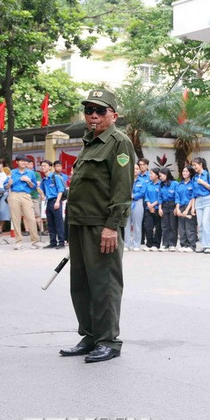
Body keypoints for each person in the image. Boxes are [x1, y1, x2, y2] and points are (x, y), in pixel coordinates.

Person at [59, 88, 133, 363]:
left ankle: (108, 341)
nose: (93, 115)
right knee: (81, 284)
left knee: (104, 284)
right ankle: (89, 336)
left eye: (100, 110)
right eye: (89, 110)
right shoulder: (89, 142)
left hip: (102, 225)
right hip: (79, 222)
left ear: (113, 115)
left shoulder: (118, 142)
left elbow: (122, 188)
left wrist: (112, 225)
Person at [6, 155, 40, 249]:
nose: (23, 163)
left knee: (31, 218)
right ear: (17, 162)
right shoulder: (11, 172)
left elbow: (33, 186)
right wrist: (10, 183)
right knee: (16, 218)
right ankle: (18, 241)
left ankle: (35, 241)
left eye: (25, 161)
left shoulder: (30, 173)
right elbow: (6, 186)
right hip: (14, 194)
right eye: (21, 161)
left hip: (26, 195)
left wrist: (28, 181)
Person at [191, 157, 210, 254]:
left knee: (206, 222)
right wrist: (193, 207)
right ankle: (203, 244)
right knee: (200, 223)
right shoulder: (194, 177)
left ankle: (208, 245)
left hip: (208, 199)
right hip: (198, 201)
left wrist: (203, 183)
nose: (194, 167)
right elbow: (193, 193)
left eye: (195, 165)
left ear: (201, 164)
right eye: (193, 165)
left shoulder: (209, 175)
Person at [39, 160, 66, 249]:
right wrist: (42, 196)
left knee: (58, 222)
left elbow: (60, 190)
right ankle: (53, 241)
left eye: (45, 166)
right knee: (50, 223)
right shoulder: (44, 180)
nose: (43, 167)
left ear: (50, 167)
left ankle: (61, 242)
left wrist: (58, 201)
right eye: (42, 166)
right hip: (48, 202)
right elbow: (42, 192)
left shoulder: (55, 177)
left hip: (56, 201)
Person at [127, 159, 148, 251]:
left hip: (137, 202)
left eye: (136, 169)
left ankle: (136, 244)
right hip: (127, 202)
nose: (135, 170)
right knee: (126, 224)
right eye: (133, 169)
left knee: (137, 224)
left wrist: (133, 196)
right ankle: (126, 244)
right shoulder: (127, 180)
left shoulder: (142, 181)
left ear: (139, 170)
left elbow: (142, 192)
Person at [176, 165, 198, 252]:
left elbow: (192, 197)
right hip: (180, 206)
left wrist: (187, 210)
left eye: (186, 171)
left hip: (189, 207)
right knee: (181, 228)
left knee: (190, 227)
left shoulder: (193, 184)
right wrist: (177, 208)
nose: (184, 173)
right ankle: (183, 244)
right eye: (183, 171)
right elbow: (177, 197)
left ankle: (191, 245)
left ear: (190, 173)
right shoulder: (179, 184)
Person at [158, 167, 178, 251]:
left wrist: (176, 208)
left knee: (173, 225)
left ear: (166, 175)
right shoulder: (161, 184)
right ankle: (165, 243)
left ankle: (172, 244)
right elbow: (159, 197)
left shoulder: (175, 184)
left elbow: (177, 196)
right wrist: (160, 208)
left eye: (161, 175)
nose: (160, 177)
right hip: (164, 206)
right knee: (165, 225)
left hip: (172, 205)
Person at [142, 167, 161, 251]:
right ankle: (149, 243)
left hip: (157, 208)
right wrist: (149, 204)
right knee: (148, 226)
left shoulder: (161, 184)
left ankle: (156, 244)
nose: (150, 175)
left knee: (158, 227)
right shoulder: (148, 184)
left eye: (152, 174)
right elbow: (146, 196)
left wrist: (153, 205)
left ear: (157, 175)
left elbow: (160, 196)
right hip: (148, 208)